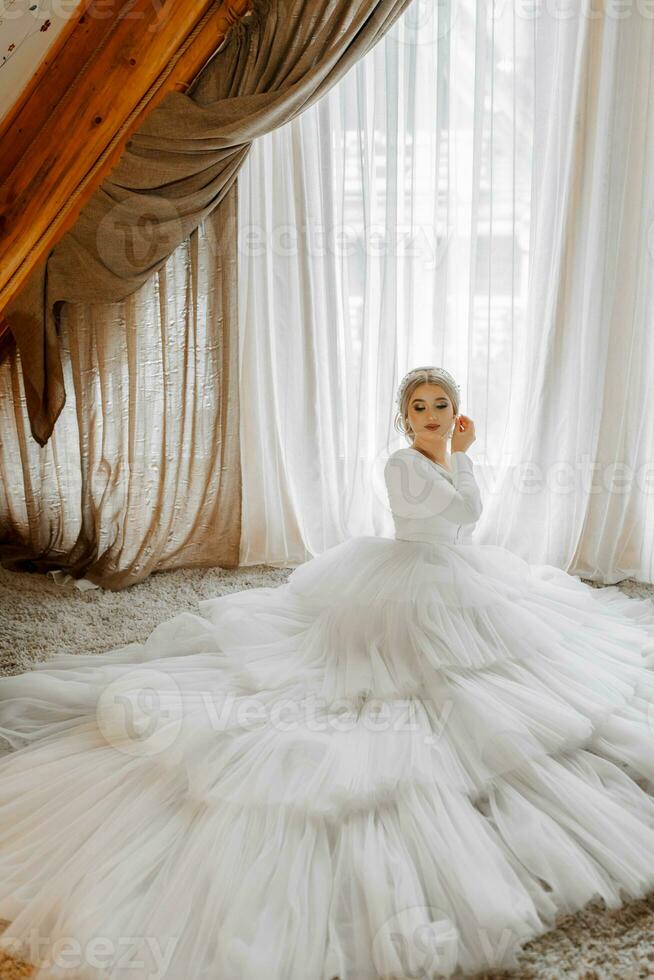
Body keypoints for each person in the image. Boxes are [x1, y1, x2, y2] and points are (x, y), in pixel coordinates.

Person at [2, 365, 654, 980]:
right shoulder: (402, 464)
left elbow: (470, 517)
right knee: (375, 680)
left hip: (459, 577)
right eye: (419, 408)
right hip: (398, 580)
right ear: (404, 420)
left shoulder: (457, 458)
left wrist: (464, 458)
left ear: (456, 410)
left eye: (441, 406)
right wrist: (458, 457)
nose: (431, 416)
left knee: (514, 666)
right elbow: (441, 517)